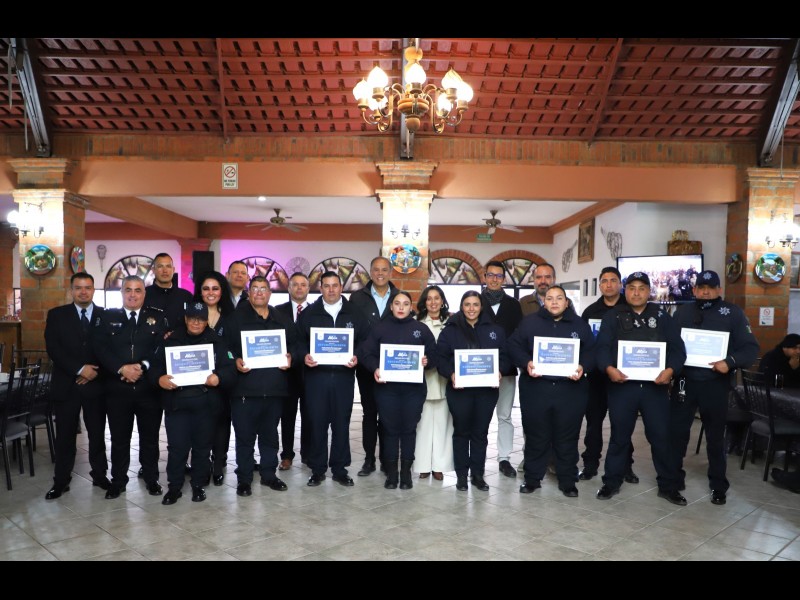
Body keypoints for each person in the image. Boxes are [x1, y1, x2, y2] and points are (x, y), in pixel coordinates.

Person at [594, 271, 688, 506]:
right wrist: (608, 368)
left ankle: (668, 486)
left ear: (649, 291)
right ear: (625, 290)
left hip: (654, 388)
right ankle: (611, 482)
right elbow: (602, 347)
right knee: (619, 437)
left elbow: (678, 350)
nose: (636, 293)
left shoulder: (662, 316)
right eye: (632, 288)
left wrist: (670, 371)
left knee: (660, 437)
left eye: (641, 288)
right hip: (622, 386)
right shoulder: (613, 316)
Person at [671, 269, 760, 505]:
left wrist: (729, 362)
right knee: (677, 433)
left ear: (719, 289)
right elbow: (670, 344)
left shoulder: (733, 313)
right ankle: (673, 478)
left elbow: (750, 349)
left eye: (711, 288)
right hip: (685, 382)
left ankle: (718, 485)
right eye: (701, 288)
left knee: (715, 437)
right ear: (694, 290)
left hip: (716, 384)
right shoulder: (682, 312)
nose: (706, 292)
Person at [508, 285, 594, 496]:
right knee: (536, 436)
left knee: (567, 437)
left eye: (559, 298)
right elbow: (513, 346)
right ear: (543, 302)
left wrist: (583, 367)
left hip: (570, 391)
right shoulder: (529, 323)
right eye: (550, 298)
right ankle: (532, 479)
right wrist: (526, 362)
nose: (554, 302)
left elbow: (593, 351)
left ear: (566, 302)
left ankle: (568, 480)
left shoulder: (579, 325)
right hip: (536, 390)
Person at [150, 302, 237, 505]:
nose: (196, 323)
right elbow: (154, 367)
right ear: (186, 319)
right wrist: (159, 379)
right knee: (177, 448)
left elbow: (230, 370)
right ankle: (174, 487)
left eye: (200, 319)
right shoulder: (171, 341)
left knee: (202, 448)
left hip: (206, 405)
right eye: (192, 319)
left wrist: (219, 377)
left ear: (206, 321)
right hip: (177, 404)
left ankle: (198, 485)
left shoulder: (217, 342)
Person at [93, 275, 168, 499]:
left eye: (137, 290)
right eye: (128, 290)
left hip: (148, 389)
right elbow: (100, 349)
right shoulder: (107, 317)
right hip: (117, 389)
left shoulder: (157, 317)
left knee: (150, 438)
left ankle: (152, 479)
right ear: (122, 293)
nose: (133, 295)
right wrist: (121, 369)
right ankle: (118, 481)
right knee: (119, 439)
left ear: (144, 294)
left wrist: (142, 367)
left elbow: (160, 349)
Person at [225, 276, 298, 497]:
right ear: (249, 292)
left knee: (270, 437)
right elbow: (223, 349)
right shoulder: (235, 319)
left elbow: (297, 346)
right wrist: (234, 360)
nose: (259, 292)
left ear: (270, 293)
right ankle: (244, 479)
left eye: (263, 288)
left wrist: (291, 357)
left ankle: (269, 475)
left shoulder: (282, 319)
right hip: (245, 390)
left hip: (274, 389)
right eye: (255, 288)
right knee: (245, 438)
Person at [358, 291, 437, 489]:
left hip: (414, 390)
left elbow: (435, 354)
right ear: (391, 306)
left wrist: (427, 361)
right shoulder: (380, 328)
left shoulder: (421, 329)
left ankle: (406, 473)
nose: (401, 307)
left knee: (409, 430)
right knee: (390, 430)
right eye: (397, 303)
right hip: (387, 390)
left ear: (411, 307)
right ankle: (392, 474)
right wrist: (376, 368)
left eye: (405, 304)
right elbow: (366, 353)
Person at [297, 270, 369, 487]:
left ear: (341, 287)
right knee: (317, 423)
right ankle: (317, 469)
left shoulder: (354, 313)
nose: (331, 290)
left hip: (343, 378)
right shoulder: (309, 314)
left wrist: (357, 356)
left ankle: (339, 469)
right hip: (316, 378)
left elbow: (365, 341)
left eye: (335, 285)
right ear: (320, 288)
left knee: (341, 423)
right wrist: (304, 356)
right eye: (326, 286)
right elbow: (297, 342)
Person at [43, 272, 109, 499]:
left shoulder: (105, 315)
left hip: (96, 386)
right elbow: (53, 348)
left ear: (93, 290)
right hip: (66, 386)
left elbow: (111, 349)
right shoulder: (57, 315)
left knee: (97, 435)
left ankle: (100, 475)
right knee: (65, 436)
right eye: (78, 287)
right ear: (71, 290)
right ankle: (61, 481)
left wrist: (94, 371)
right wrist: (80, 370)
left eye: (88, 287)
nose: (83, 292)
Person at [436, 291, 509, 492]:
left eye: (475, 304)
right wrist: (451, 374)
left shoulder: (495, 330)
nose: (471, 308)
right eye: (467, 304)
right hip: (459, 391)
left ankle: (477, 475)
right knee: (461, 432)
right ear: (461, 306)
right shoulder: (450, 330)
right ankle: (461, 476)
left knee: (480, 432)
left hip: (486, 391)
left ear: (481, 307)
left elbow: (505, 356)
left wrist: (500, 371)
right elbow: (440, 358)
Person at [579, 266, 637, 483]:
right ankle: (590, 464)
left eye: (613, 280)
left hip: (624, 377)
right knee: (593, 423)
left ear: (620, 284)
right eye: (604, 281)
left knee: (622, 423)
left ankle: (625, 466)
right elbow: (584, 344)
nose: (609, 284)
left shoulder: (631, 309)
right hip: (596, 377)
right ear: (600, 285)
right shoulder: (590, 312)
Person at [349, 256, 400, 477]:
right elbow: (351, 331)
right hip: (366, 366)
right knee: (369, 414)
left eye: (384, 270)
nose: (380, 273)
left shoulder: (399, 296)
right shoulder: (357, 298)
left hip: (393, 367)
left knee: (388, 415)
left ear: (390, 272)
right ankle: (369, 459)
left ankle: (388, 460)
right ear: (370, 272)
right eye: (376, 269)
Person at [193, 271, 236, 485]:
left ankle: (218, 462)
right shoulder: (191, 315)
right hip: (196, 380)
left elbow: (236, 348)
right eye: (206, 288)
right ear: (200, 292)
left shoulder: (231, 317)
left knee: (221, 422)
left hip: (222, 380)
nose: (211, 293)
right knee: (198, 423)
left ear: (222, 291)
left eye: (215, 288)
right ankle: (200, 463)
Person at [480, 261, 523, 479]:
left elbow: (518, 336)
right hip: (480, 369)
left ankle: (504, 458)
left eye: (498, 276)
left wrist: (506, 364)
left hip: (506, 369)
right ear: (484, 277)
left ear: (504, 279)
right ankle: (476, 458)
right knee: (480, 416)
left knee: (505, 415)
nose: (494, 279)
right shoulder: (475, 301)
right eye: (491, 275)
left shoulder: (513, 305)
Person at [414, 286, 454, 481]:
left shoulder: (451, 323)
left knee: (443, 425)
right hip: (422, 380)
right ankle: (422, 465)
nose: (433, 302)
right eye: (429, 299)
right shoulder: (416, 323)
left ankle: (439, 466)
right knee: (422, 425)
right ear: (424, 302)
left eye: (436, 298)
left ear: (442, 301)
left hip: (445, 380)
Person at [274, 272, 311, 470]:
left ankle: (307, 454)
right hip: (285, 373)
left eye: (303, 285)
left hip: (310, 372)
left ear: (308, 288)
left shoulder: (316, 311)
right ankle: (287, 455)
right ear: (288, 288)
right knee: (287, 416)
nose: (299, 288)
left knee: (310, 414)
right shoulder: (277, 311)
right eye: (295, 284)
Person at [144, 252, 193, 330]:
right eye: (160, 266)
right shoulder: (144, 294)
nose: (165, 270)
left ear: (173, 270)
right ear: (153, 270)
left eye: (168, 266)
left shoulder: (186, 296)